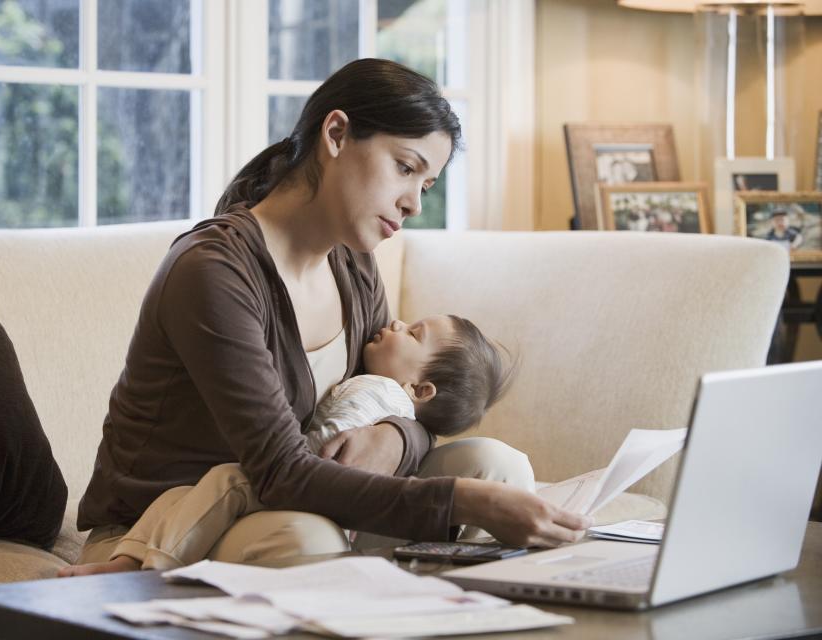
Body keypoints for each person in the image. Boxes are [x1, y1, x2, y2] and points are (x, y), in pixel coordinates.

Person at [68, 58, 591, 577]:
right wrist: (460, 502)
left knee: (497, 468)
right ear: (337, 134)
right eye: (406, 168)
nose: (414, 203)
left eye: (426, 186)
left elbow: (401, 398)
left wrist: (396, 435)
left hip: (302, 501)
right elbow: (278, 471)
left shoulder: (354, 262)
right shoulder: (213, 271)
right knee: (304, 536)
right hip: (159, 535)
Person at [61, 313, 515, 574]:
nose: (395, 320)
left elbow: (335, 448)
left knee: (228, 480)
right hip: (316, 504)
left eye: (413, 332)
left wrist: (395, 436)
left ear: (421, 391)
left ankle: (140, 568)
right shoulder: (220, 274)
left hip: (309, 483)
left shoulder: (376, 387)